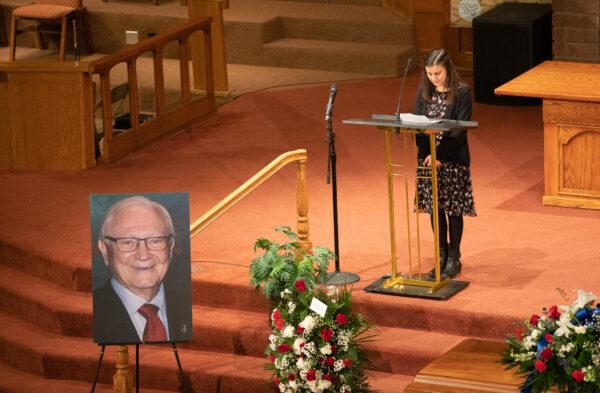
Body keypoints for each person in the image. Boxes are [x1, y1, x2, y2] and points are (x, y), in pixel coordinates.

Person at [93, 195, 192, 344]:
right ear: (105, 251)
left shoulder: (187, 306)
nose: (143, 255)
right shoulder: (92, 316)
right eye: (127, 242)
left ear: (170, 247)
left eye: (155, 241)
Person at [413, 48, 477, 279]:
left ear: (448, 69)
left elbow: (460, 131)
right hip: (428, 160)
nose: (433, 78)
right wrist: (426, 154)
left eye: (437, 73)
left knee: (453, 209)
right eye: (429, 74)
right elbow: (417, 124)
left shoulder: (461, 92)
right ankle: (440, 255)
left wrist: (438, 154)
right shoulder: (425, 91)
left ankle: (454, 257)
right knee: (435, 208)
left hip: (451, 160)